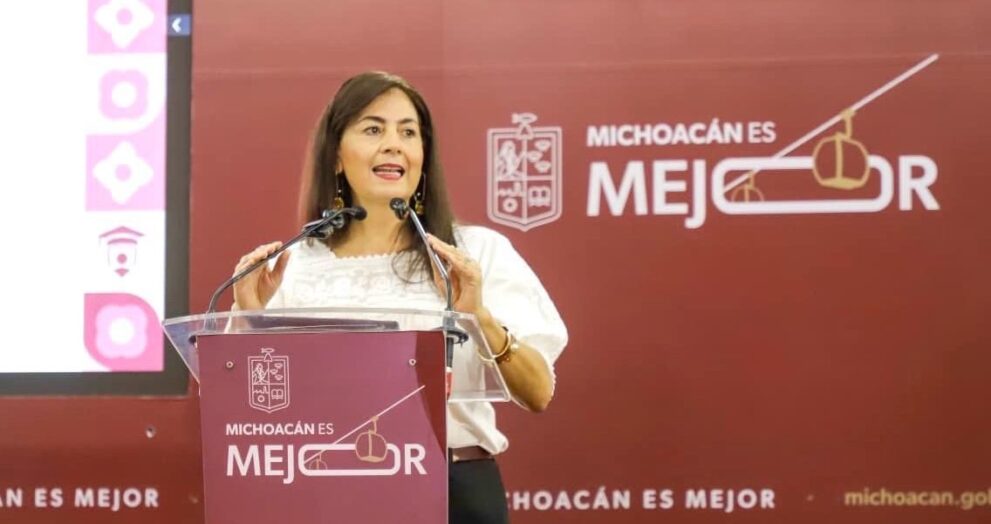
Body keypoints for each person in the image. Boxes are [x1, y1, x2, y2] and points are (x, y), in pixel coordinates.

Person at [230, 71, 567, 524]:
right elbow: (249, 417)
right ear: (336, 156)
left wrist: (479, 317)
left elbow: (538, 392)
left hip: (454, 493)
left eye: (408, 133)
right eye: (374, 129)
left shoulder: (474, 253)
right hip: (324, 491)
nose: (393, 145)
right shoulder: (293, 265)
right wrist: (251, 319)